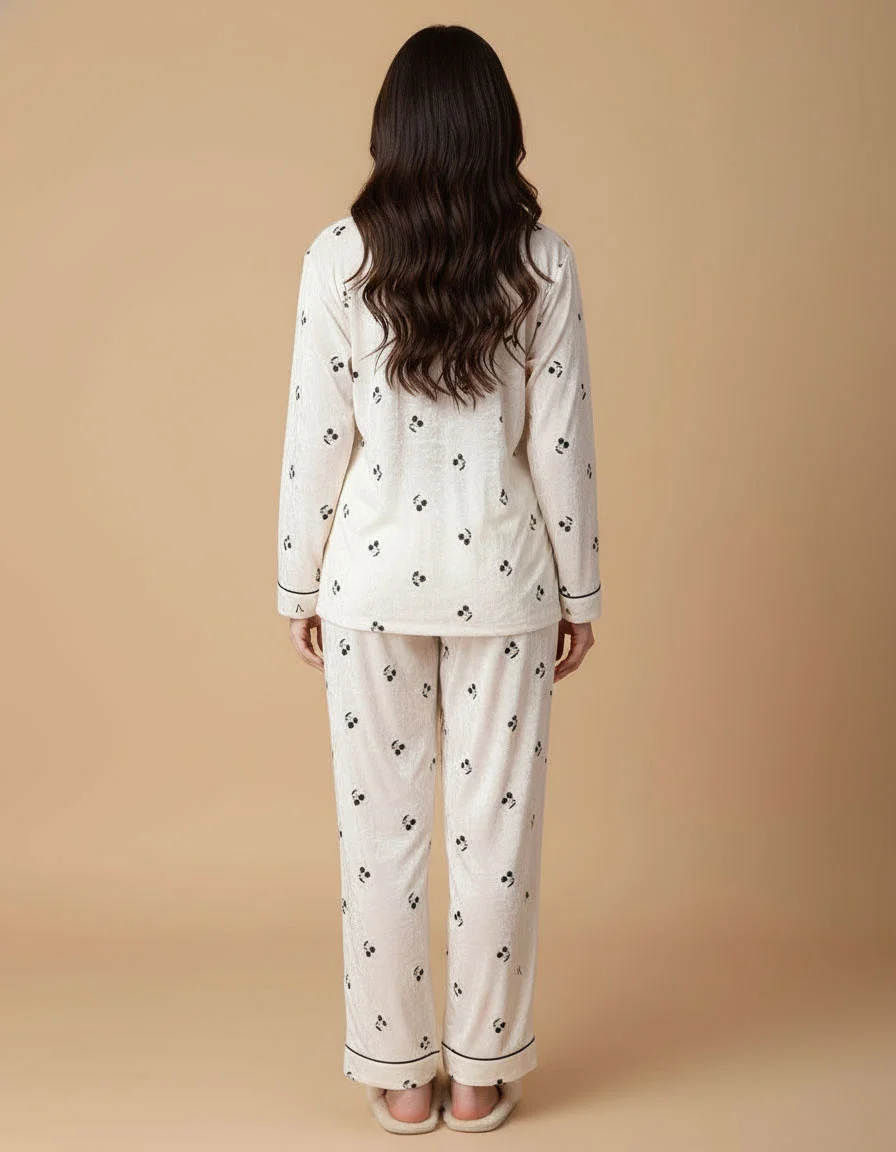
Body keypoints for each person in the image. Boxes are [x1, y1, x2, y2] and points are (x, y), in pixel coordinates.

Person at [275, 23, 602, 1133]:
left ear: (394, 130)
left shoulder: (337, 257)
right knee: (495, 837)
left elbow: (315, 437)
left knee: (381, 837)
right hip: (505, 580)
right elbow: (559, 442)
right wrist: (580, 592)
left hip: (368, 585)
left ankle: (403, 1081)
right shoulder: (541, 262)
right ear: (496, 128)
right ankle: (476, 1079)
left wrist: (298, 583)